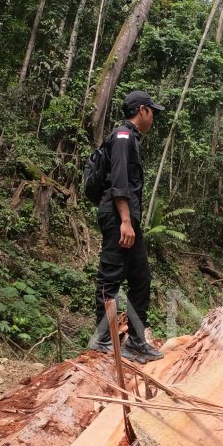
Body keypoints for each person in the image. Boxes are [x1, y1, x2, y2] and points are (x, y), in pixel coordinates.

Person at [90, 89, 165, 362]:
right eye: (152, 112)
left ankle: (135, 340)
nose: (153, 117)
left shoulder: (131, 138)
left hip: (127, 219)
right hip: (117, 216)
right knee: (110, 278)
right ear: (142, 110)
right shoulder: (122, 137)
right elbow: (120, 182)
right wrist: (124, 220)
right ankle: (104, 341)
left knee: (141, 278)